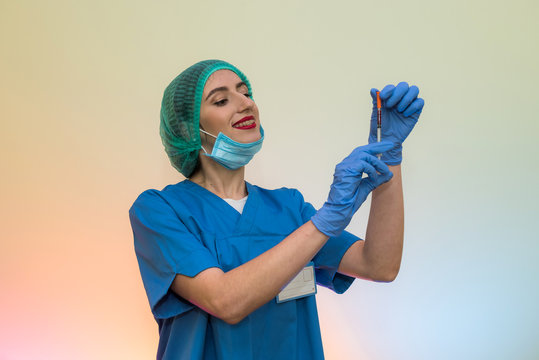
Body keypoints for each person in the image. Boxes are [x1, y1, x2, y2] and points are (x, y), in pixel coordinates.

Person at [129, 59, 424, 360]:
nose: (245, 104)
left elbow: (379, 265)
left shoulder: (289, 208)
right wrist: (324, 222)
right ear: (186, 128)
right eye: (221, 100)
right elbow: (225, 301)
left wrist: (388, 157)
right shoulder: (160, 210)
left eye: (246, 93)